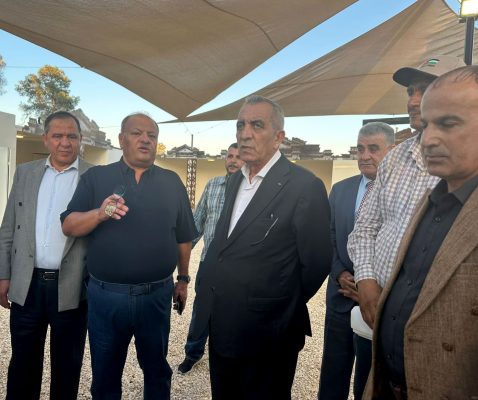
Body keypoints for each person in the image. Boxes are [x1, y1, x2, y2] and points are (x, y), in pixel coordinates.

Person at [193, 95, 332, 399]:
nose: (245, 134)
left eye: (257, 125)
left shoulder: (304, 186)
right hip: (223, 325)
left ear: (279, 137)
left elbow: (317, 261)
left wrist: (275, 300)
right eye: (240, 125)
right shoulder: (235, 180)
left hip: (271, 333)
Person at [61, 113, 197, 399]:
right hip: (106, 298)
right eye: (137, 133)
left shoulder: (172, 182)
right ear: (122, 139)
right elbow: (69, 225)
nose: (145, 140)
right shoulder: (97, 178)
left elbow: (184, 237)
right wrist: (100, 214)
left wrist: (183, 279)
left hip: (156, 297)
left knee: (157, 372)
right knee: (105, 375)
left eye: (152, 135)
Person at [364, 65, 478, 400]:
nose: (428, 139)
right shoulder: (433, 199)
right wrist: (367, 281)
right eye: (426, 125)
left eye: (448, 123)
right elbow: (366, 227)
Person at [347, 55, 464, 330]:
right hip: (377, 312)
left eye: (425, 90)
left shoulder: (466, 163)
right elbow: (365, 227)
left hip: (438, 322)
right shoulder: (394, 158)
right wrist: (366, 280)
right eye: (411, 91)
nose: (413, 101)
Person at [0, 111, 91, 399]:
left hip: (72, 286)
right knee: (23, 364)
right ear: (46, 139)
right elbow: (8, 228)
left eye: (72, 136)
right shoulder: (25, 173)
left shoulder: (94, 177)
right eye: (58, 135)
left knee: (67, 366)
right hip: (27, 284)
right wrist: (3, 275)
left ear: (81, 139)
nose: (65, 142)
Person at [318, 122, 394, 400]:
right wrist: (340, 274)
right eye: (360, 149)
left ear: (392, 151)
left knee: (369, 379)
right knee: (333, 373)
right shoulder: (340, 190)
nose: (364, 156)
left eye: (373, 149)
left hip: (379, 302)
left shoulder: (400, 194)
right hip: (341, 295)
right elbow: (328, 236)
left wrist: (368, 283)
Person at [178, 142, 244, 374]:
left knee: (235, 311)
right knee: (202, 310)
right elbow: (197, 222)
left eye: (238, 157)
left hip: (239, 266)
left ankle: (229, 354)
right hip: (209, 262)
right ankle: (193, 353)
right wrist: (181, 254)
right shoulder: (213, 185)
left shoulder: (251, 191)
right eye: (230, 156)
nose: (233, 161)